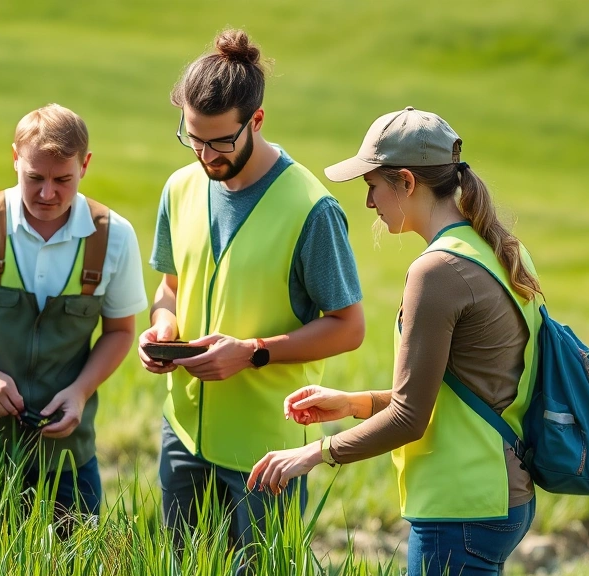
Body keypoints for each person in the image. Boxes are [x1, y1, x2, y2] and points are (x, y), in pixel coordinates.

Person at [247, 107, 542, 575]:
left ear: (406, 181)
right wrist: (353, 403)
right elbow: (458, 393)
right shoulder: (499, 249)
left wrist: (314, 453)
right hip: (501, 495)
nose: (368, 202)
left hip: (459, 507)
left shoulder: (436, 272)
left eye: (372, 185)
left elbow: (410, 418)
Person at [138, 29, 365, 553]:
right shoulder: (180, 187)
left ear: (256, 121)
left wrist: (253, 353)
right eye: (193, 137)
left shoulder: (312, 209)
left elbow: (349, 328)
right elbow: (170, 286)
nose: (205, 155)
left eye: (220, 141)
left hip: (268, 456)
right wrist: (164, 324)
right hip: (183, 437)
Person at [0, 103, 146, 516]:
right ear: (14, 159)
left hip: (66, 452)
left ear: (85, 165)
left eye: (63, 180)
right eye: (34, 177)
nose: (47, 194)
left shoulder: (114, 237)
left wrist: (80, 391)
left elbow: (120, 332)